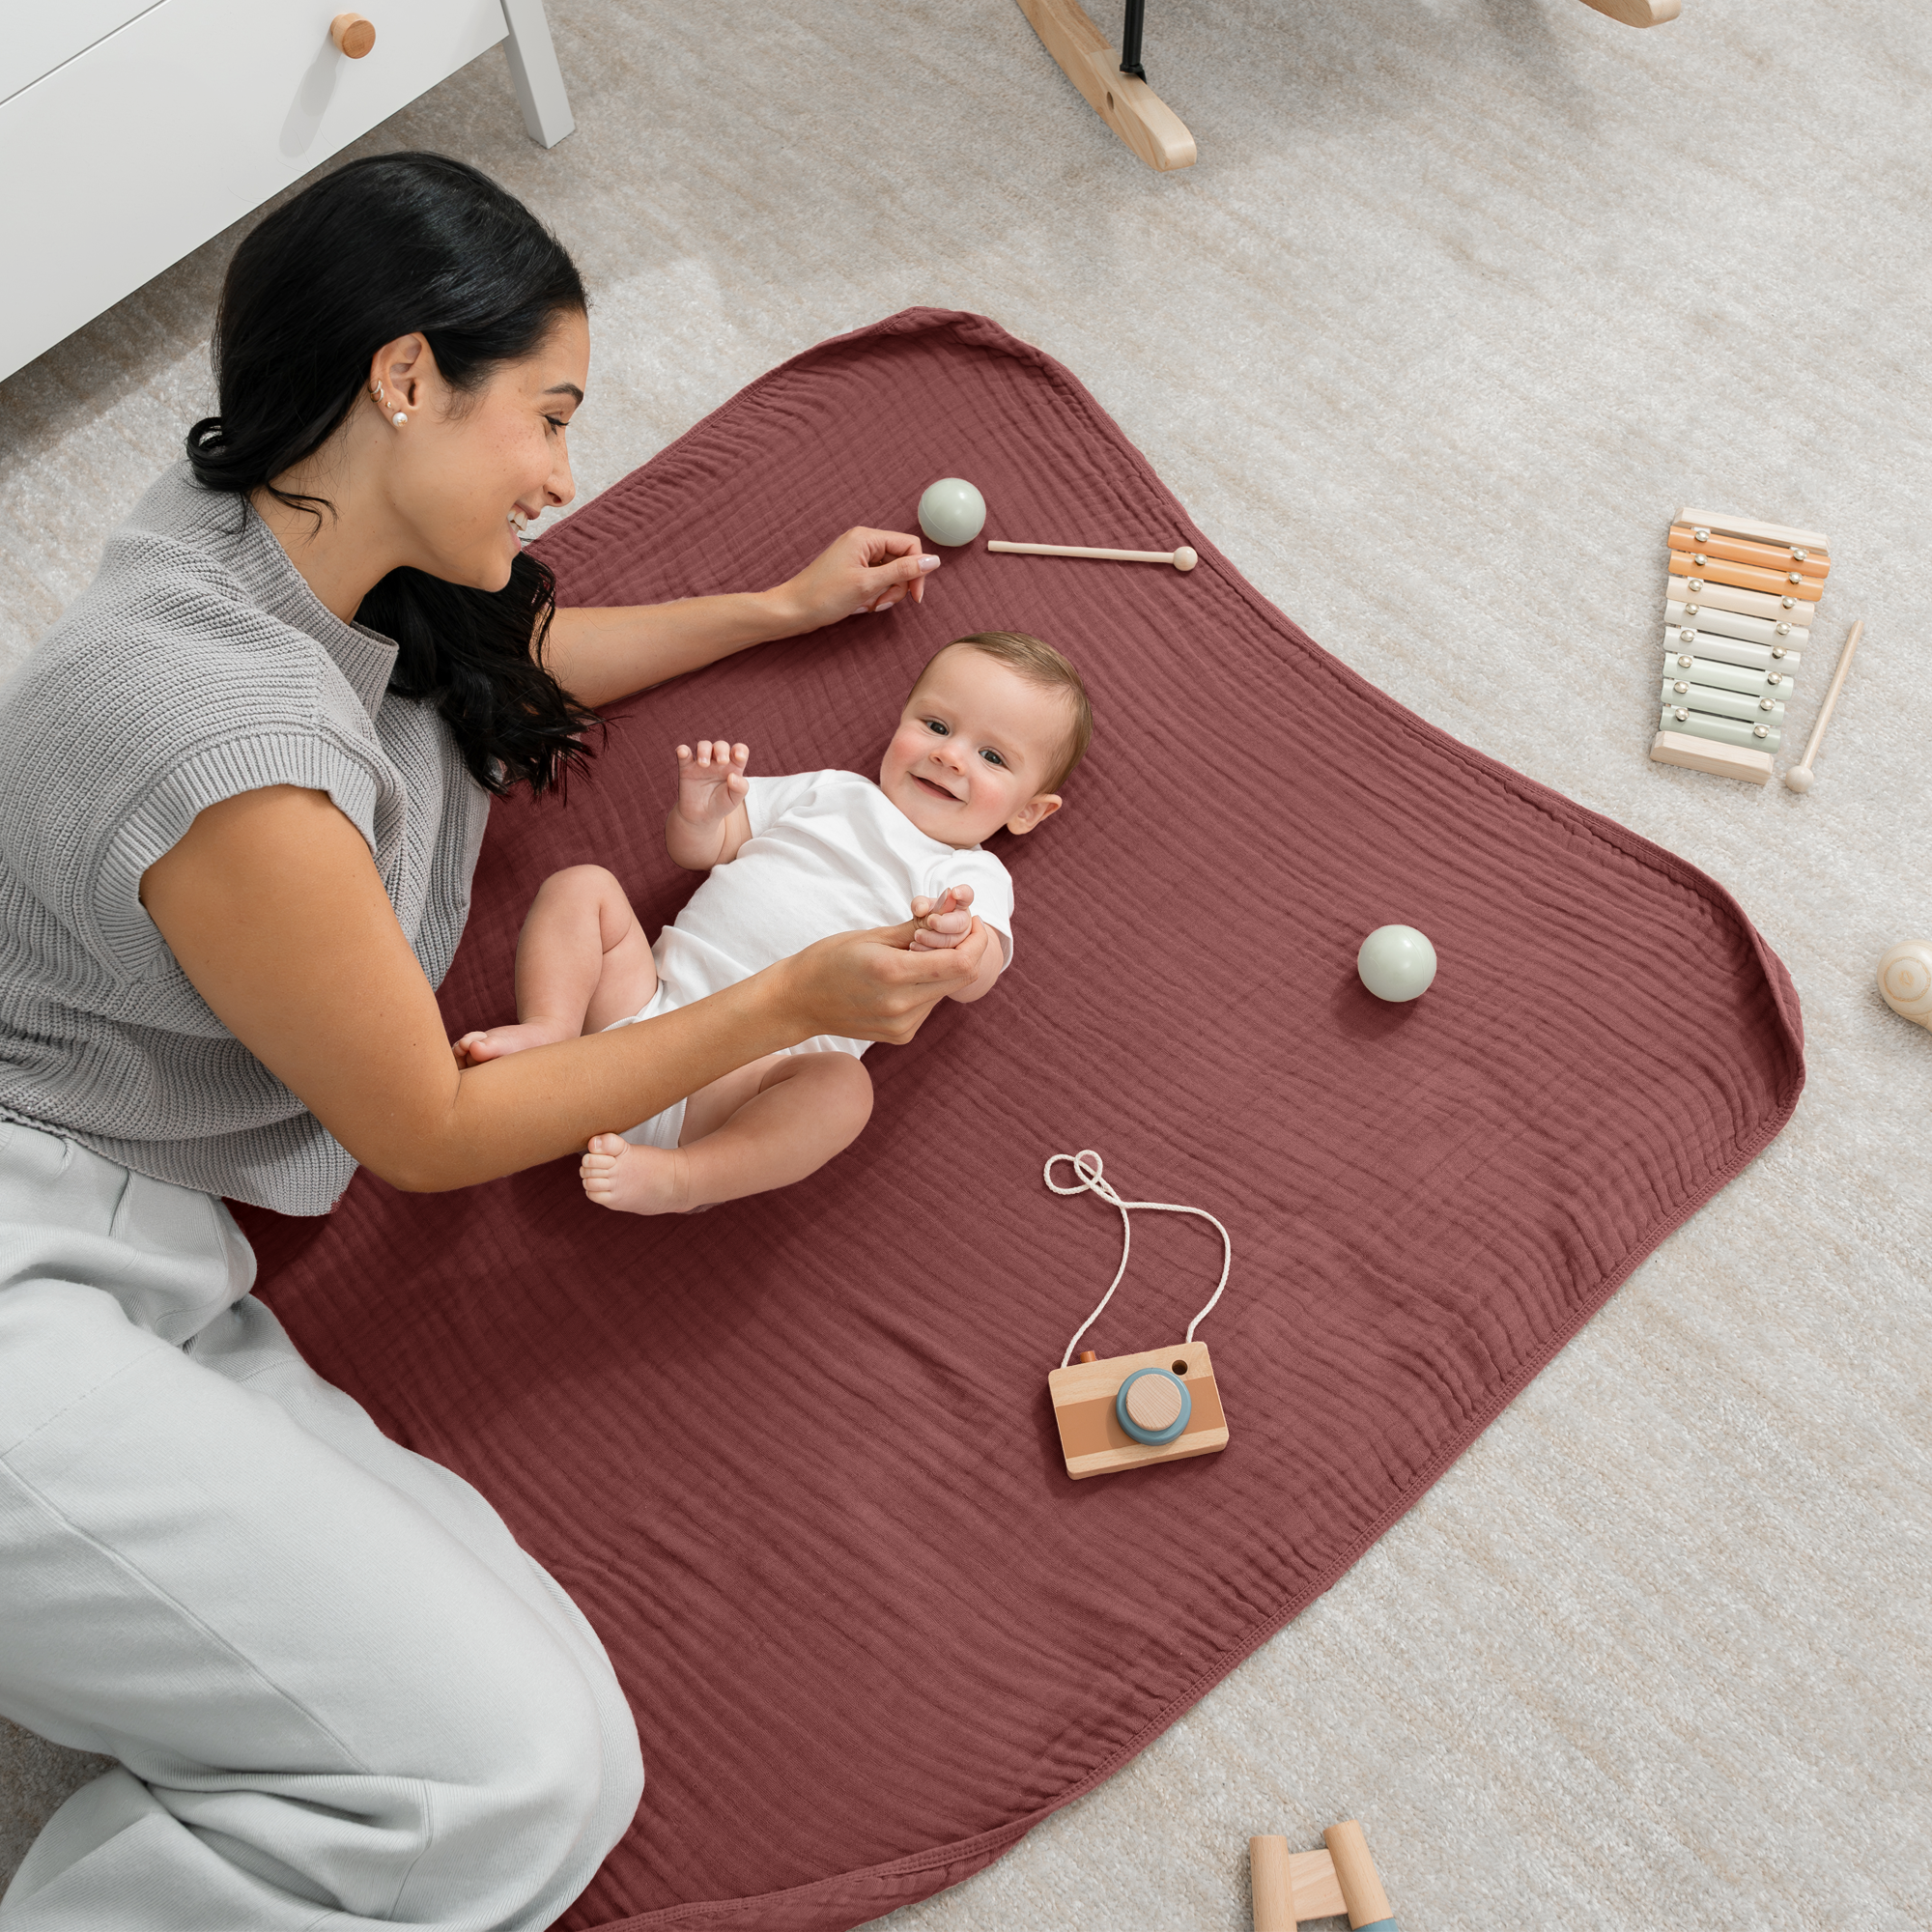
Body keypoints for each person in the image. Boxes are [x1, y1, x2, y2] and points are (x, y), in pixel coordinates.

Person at [0, 152, 995, 1931]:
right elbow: (428, 1133)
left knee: (568, 1748)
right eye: (545, 414)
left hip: (143, 1256)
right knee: (497, 1780)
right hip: (25, 1250)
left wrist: (776, 613)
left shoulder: (281, 526)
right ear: (402, 379)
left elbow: (487, 676)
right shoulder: (215, 738)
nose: (559, 470)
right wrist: (789, 1003)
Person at [452, 631, 1093, 1215]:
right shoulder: (832, 793)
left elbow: (977, 975)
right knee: (582, 886)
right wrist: (702, 812)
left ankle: (685, 1178)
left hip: (737, 1085)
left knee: (843, 1090)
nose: (951, 756)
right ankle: (549, 1030)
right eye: (934, 724)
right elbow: (704, 849)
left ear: (1030, 812)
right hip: (641, 1009)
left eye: (992, 757)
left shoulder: (968, 876)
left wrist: (961, 942)